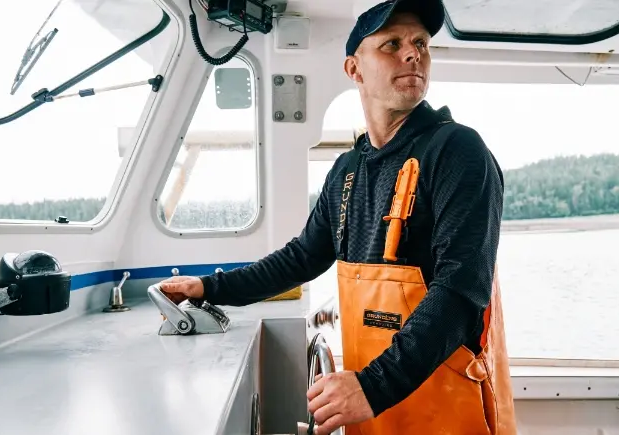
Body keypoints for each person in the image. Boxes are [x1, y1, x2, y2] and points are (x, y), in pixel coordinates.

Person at [159, 0, 517, 433]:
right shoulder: (348, 170)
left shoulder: (459, 152)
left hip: (441, 411)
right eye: (392, 44)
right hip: (373, 413)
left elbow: (459, 293)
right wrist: (210, 288)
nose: (413, 53)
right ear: (354, 69)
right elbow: (302, 258)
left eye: (421, 43)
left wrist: (373, 385)